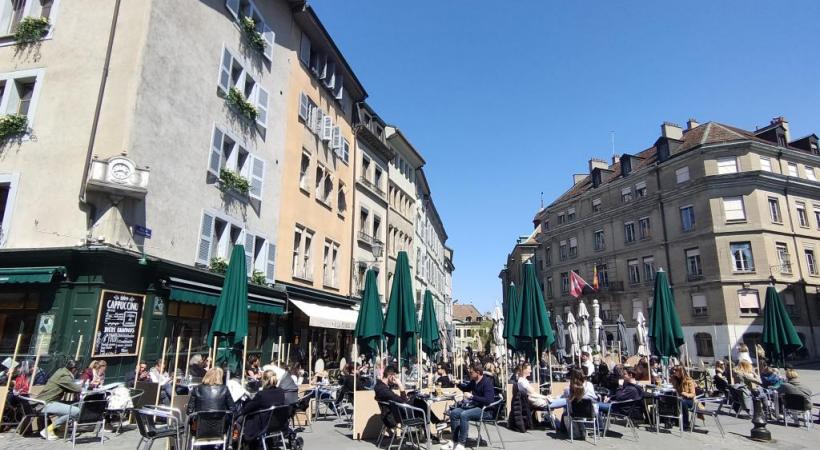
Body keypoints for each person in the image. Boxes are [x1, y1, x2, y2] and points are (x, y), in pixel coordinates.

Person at [441, 363, 495, 450]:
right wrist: (458, 384)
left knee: (464, 415)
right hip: (475, 407)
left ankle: (461, 444)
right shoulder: (474, 381)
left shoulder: (486, 382)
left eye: (471, 372)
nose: (469, 374)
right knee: (454, 413)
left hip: (486, 410)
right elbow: (466, 388)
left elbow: (489, 400)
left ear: (478, 372)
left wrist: (472, 396)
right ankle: (455, 441)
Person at [37, 360, 82, 440]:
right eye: (77, 370)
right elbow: (77, 389)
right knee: (76, 411)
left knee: (73, 405)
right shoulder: (64, 376)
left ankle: (60, 430)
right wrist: (83, 386)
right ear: (74, 369)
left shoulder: (61, 371)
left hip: (47, 401)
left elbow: (68, 388)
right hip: (46, 403)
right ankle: (48, 430)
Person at [238, 370, 286, 446]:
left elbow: (248, 408)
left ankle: (243, 442)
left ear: (264, 380)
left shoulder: (262, 394)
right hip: (277, 423)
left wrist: (240, 412)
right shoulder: (281, 392)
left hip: (263, 423)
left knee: (241, 418)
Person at [187, 368, 235, 432]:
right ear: (220, 377)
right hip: (220, 427)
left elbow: (189, 411)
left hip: (200, 427)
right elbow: (233, 409)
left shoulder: (197, 388)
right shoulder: (224, 389)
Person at [670, 365, 697, 430]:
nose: (674, 372)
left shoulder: (688, 380)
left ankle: (686, 423)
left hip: (690, 400)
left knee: (683, 402)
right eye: (674, 370)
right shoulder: (675, 379)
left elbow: (693, 394)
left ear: (681, 371)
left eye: (676, 370)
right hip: (679, 398)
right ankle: (670, 420)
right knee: (669, 399)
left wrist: (685, 394)